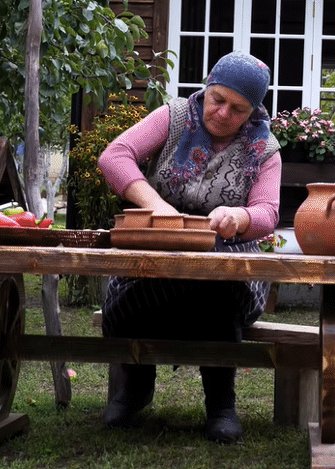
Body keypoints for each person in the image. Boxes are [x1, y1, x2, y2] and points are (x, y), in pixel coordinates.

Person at [95, 51, 282, 443]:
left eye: (237, 109)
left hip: (225, 253)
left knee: (217, 284)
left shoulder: (265, 148)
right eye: (218, 99)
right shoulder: (175, 115)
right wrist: (158, 207)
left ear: (253, 112)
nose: (223, 113)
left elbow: (267, 212)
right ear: (206, 87)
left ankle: (221, 403)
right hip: (157, 249)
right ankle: (136, 385)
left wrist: (241, 218)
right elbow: (114, 156)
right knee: (137, 288)